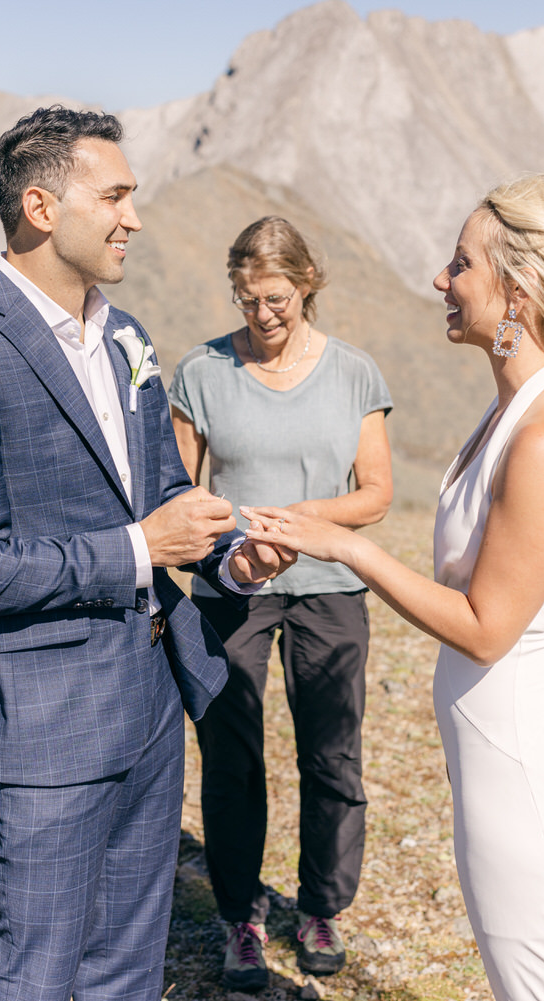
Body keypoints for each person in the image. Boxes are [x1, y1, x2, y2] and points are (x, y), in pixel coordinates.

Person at [243, 175, 544, 1000]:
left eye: (460, 263)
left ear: (519, 290)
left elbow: (486, 627)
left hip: (525, 764)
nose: (440, 279)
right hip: (501, 755)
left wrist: (345, 549)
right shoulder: (516, 410)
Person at [0, 107, 294, 1001]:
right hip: (43, 726)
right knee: (37, 978)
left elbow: (158, 501)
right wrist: (137, 546)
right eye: (114, 196)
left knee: (126, 971)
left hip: (152, 708)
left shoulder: (130, 338)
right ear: (41, 205)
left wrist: (232, 559)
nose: (134, 218)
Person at [167, 217, 393, 989]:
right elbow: (179, 494)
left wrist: (301, 526)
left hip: (329, 585)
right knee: (232, 757)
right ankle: (240, 917)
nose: (262, 313)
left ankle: (322, 906)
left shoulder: (356, 373)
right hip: (232, 588)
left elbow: (377, 493)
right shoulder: (199, 372)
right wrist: (239, 547)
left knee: (331, 751)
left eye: (276, 297)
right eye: (247, 298)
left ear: (306, 285)